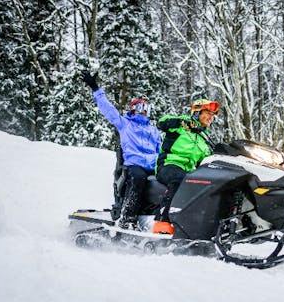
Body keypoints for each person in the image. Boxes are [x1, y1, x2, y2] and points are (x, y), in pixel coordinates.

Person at [82, 71, 161, 230]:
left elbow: (161, 150)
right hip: (135, 164)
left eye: (146, 108)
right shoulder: (125, 124)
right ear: (133, 109)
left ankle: (160, 217)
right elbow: (108, 110)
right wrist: (96, 88)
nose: (143, 111)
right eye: (140, 107)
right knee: (138, 178)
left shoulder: (154, 130)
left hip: (154, 166)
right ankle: (127, 217)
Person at [153, 99, 220, 234]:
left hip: (188, 171)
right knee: (180, 180)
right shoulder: (181, 124)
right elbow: (161, 122)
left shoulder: (203, 139)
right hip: (168, 164)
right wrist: (180, 122)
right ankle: (163, 222)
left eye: (212, 115)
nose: (211, 118)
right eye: (208, 113)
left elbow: (206, 160)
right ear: (197, 112)